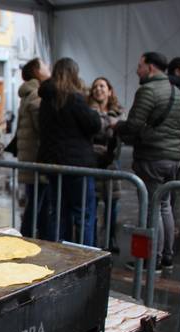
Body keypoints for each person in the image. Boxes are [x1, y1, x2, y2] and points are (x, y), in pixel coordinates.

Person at [115, 51, 180, 270]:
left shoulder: (148, 90)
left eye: (140, 65)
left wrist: (117, 126)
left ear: (151, 67)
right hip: (173, 157)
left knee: (151, 208)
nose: (137, 70)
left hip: (152, 157)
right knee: (164, 206)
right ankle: (166, 256)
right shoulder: (177, 91)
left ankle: (150, 259)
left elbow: (134, 125)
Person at [37, 57, 101, 246]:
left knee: (58, 212)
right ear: (73, 74)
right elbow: (93, 124)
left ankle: (57, 254)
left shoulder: (46, 99)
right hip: (76, 165)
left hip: (53, 163)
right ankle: (85, 256)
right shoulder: (74, 98)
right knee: (83, 214)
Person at [88, 77, 126, 252]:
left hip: (111, 163)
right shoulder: (88, 111)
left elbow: (121, 134)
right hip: (92, 163)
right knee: (92, 203)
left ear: (110, 90)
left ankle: (111, 239)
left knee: (112, 205)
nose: (98, 89)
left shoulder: (119, 112)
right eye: (95, 87)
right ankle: (93, 240)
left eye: (102, 86)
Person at [16, 57, 50, 239]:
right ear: (37, 71)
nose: (49, 68)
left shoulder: (28, 93)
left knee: (37, 203)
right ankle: (28, 238)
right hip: (37, 159)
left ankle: (34, 238)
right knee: (37, 204)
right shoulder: (37, 94)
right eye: (45, 66)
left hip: (30, 158)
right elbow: (43, 127)